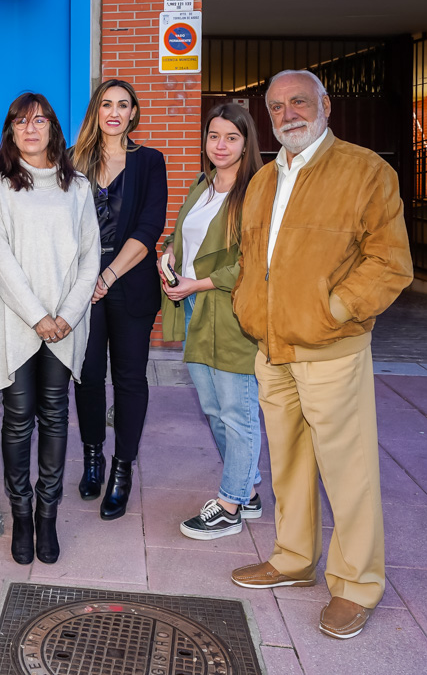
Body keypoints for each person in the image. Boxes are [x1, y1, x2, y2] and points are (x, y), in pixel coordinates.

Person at [230, 70, 413, 640]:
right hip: (272, 346)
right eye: (277, 106)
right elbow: (253, 260)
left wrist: (333, 309)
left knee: (347, 470)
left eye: (299, 102)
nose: (287, 114)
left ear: (326, 106)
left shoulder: (366, 171)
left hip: (331, 347)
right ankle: (292, 558)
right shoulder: (262, 180)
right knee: (287, 462)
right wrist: (248, 306)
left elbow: (389, 262)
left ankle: (357, 585)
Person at [0, 94, 100, 565]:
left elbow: (91, 257)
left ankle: (47, 517)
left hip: (65, 321)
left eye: (40, 120)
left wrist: (67, 315)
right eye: (20, 122)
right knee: (17, 419)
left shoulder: (79, 189)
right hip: (17, 319)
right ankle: (22, 514)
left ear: (54, 129)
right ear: (10, 132)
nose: (30, 129)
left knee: (55, 414)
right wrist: (38, 316)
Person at [159, 102, 263, 540]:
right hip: (195, 309)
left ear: (246, 143)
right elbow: (185, 234)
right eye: (214, 136)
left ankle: (229, 506)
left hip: (231, 313)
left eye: (231, 138)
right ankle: (246, 491)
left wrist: (196, 283)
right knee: (213, 408)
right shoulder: (202, 184)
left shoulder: (257, 191)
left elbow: (252, 263)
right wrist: (168, 252)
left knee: (237, 411)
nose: (220, 145)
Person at [70, 79, 167, 520]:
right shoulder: (73, 163)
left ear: (133, 114)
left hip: (129, 283)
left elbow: (149, 229)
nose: (114, 112)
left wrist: (106, 274)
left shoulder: (150, 162)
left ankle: (121, 470)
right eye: (106, 104)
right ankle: (93, 459)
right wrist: (84, 278)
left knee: (129, 379)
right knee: (87, 376)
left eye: (122, 105)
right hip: (82, 289)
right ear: (97, 110)